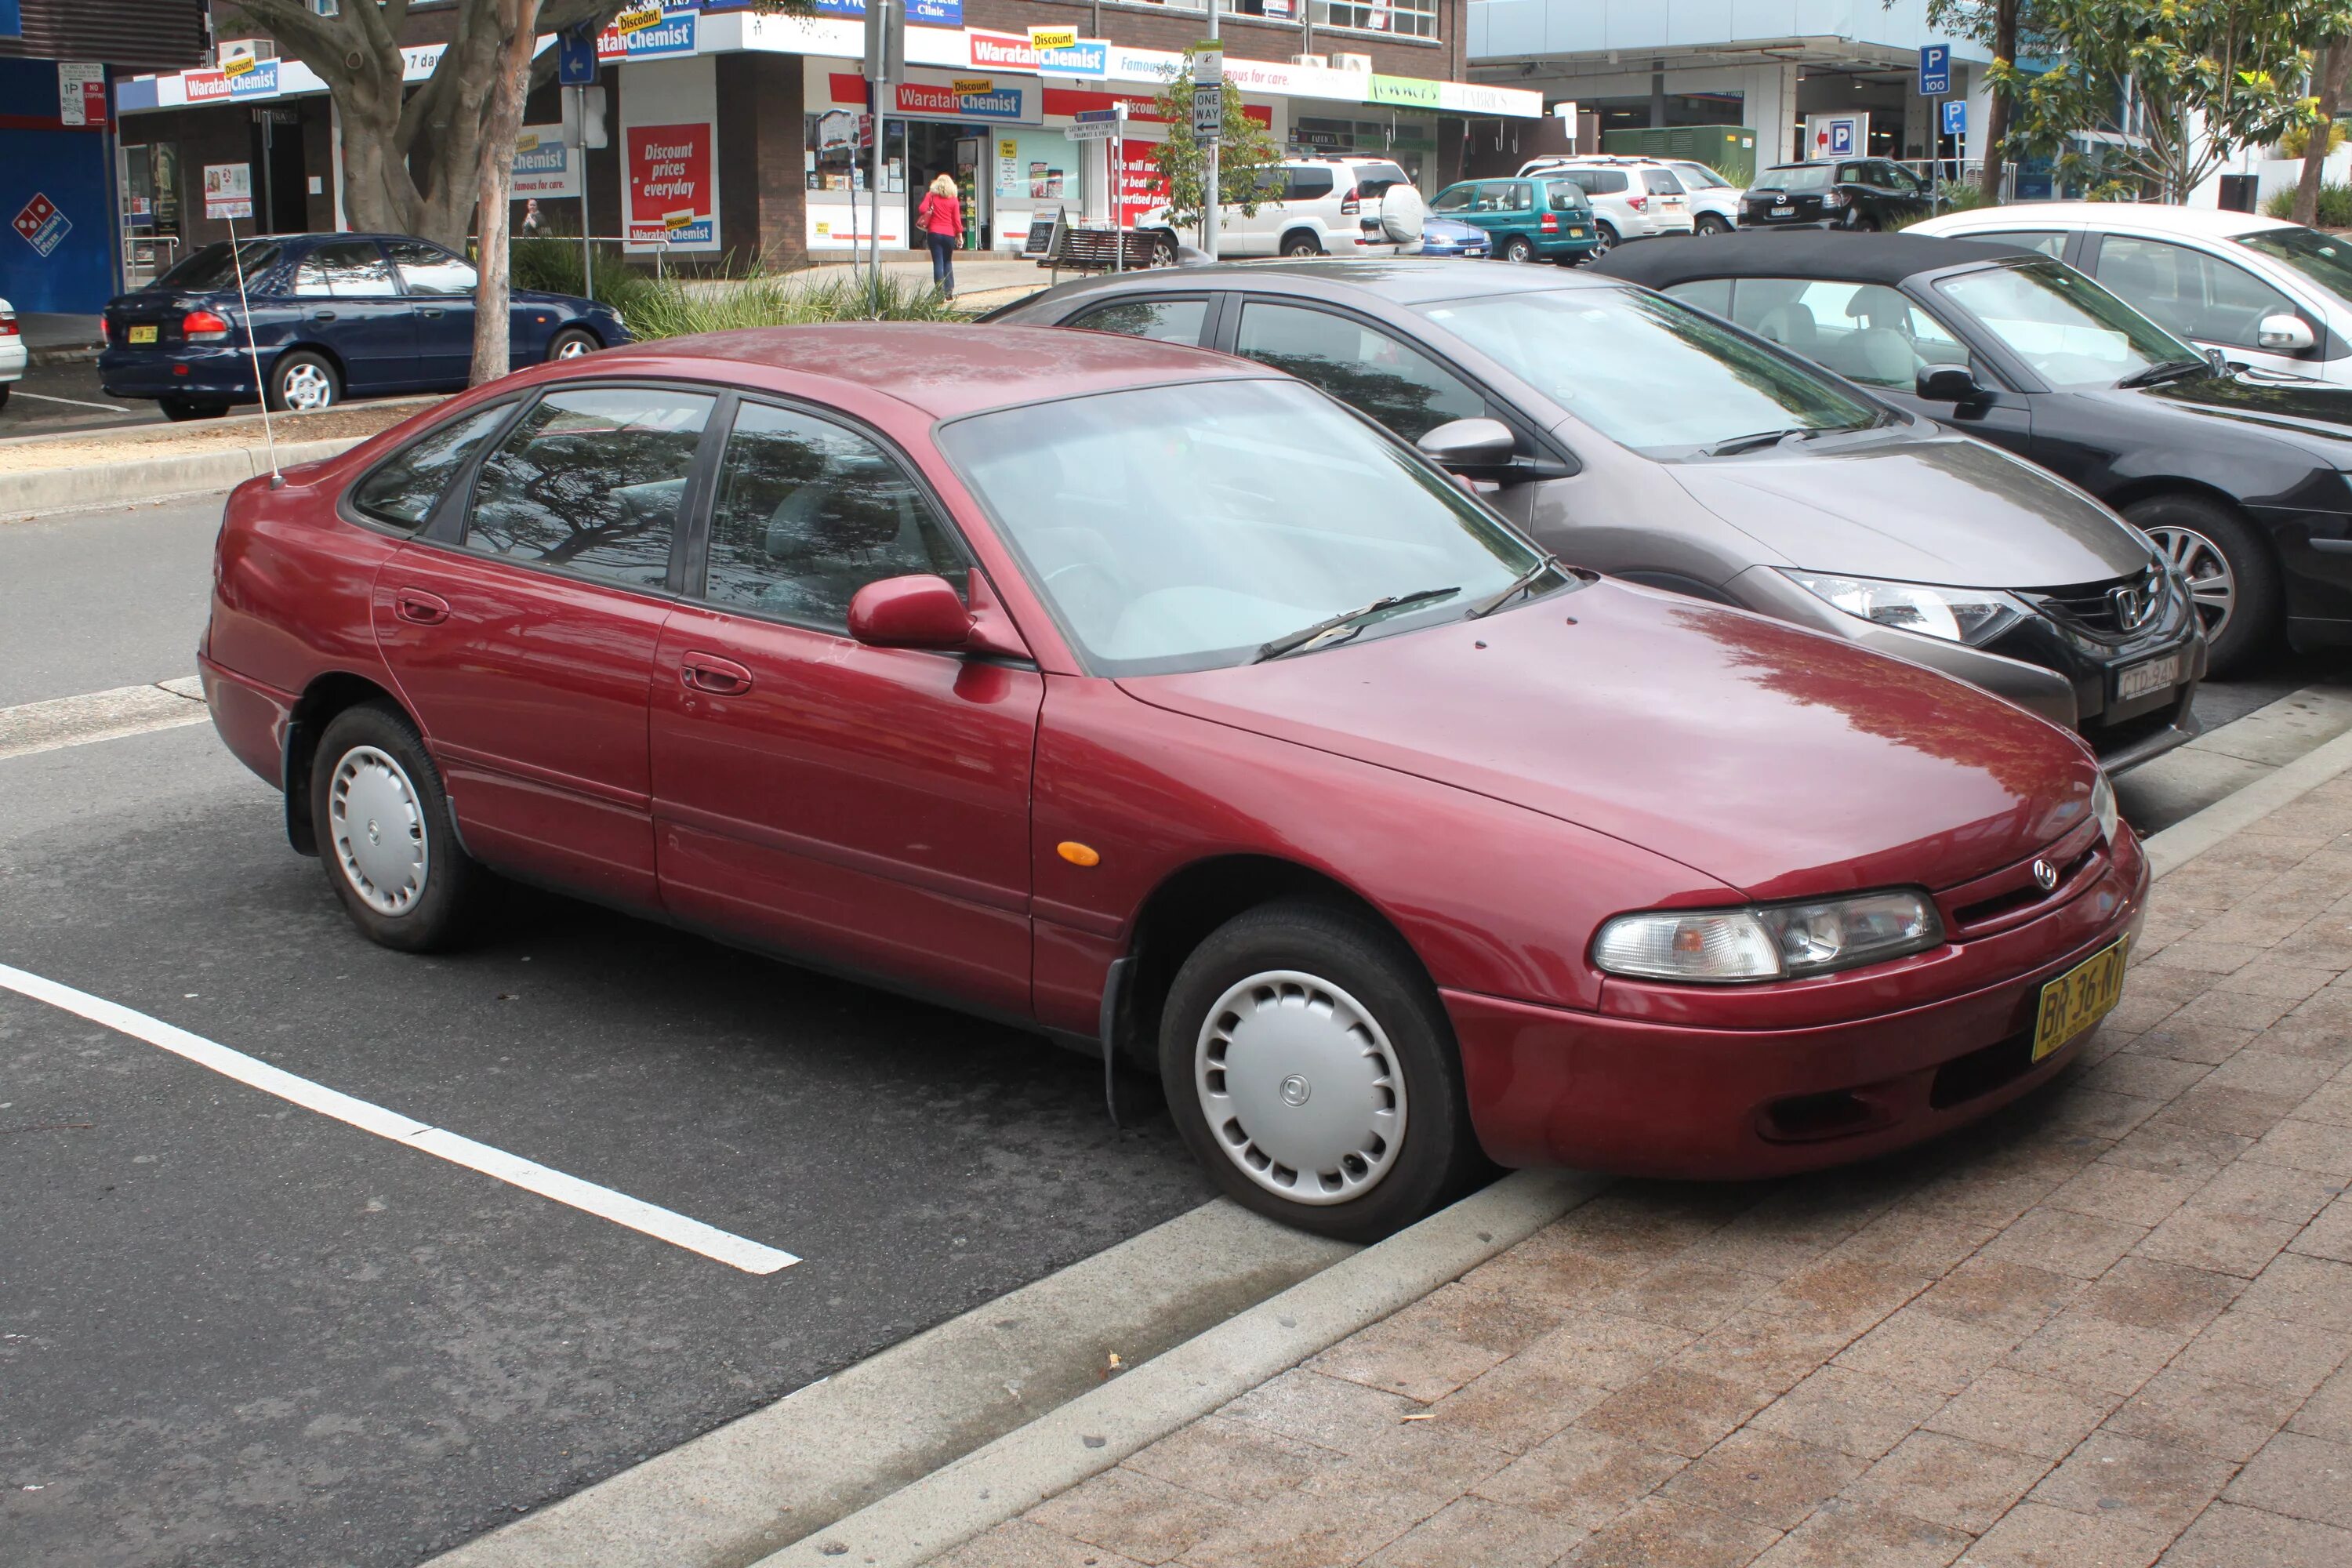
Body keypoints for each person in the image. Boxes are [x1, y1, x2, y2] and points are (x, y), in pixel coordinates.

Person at [916, 172, 961, 299]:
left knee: (938, 262)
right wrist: (959, 235)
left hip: (934, 233)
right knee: (948, 261)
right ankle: (949, 291)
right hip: (949, 234)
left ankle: (939, 293)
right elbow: (957, 220)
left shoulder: (931, 196)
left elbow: (922, 209)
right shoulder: (953, 200)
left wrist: (929, 196)